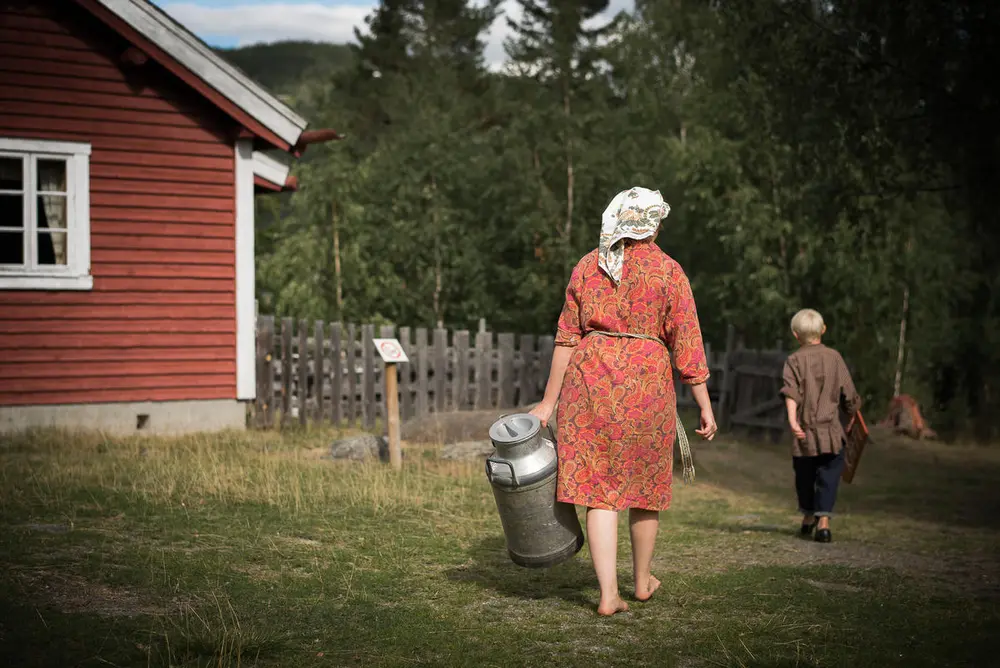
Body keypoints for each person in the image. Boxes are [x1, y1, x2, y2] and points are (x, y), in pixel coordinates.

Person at [529, 186, 718, 617]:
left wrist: (547, 403)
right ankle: (642, 582)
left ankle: (608, 594)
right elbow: (687, 343)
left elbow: (566, 337)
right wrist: (704, 403)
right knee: (644, 490)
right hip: (645, 385)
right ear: (653, 222)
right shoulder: (669, 271)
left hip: (589, 382)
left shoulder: (588, 265)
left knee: (600, 490)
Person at [779, 308, 862, 543]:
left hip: (804, 432)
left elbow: (791, 394)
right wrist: (853, 412)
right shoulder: (835, 357)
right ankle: (823, 523)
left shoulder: (794, 360)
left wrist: (793, 421)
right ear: (823, 330)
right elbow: (849, 394)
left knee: (804, 477)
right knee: (829, 476)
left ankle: (807, 517)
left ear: (796, 335)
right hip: (832, 434)